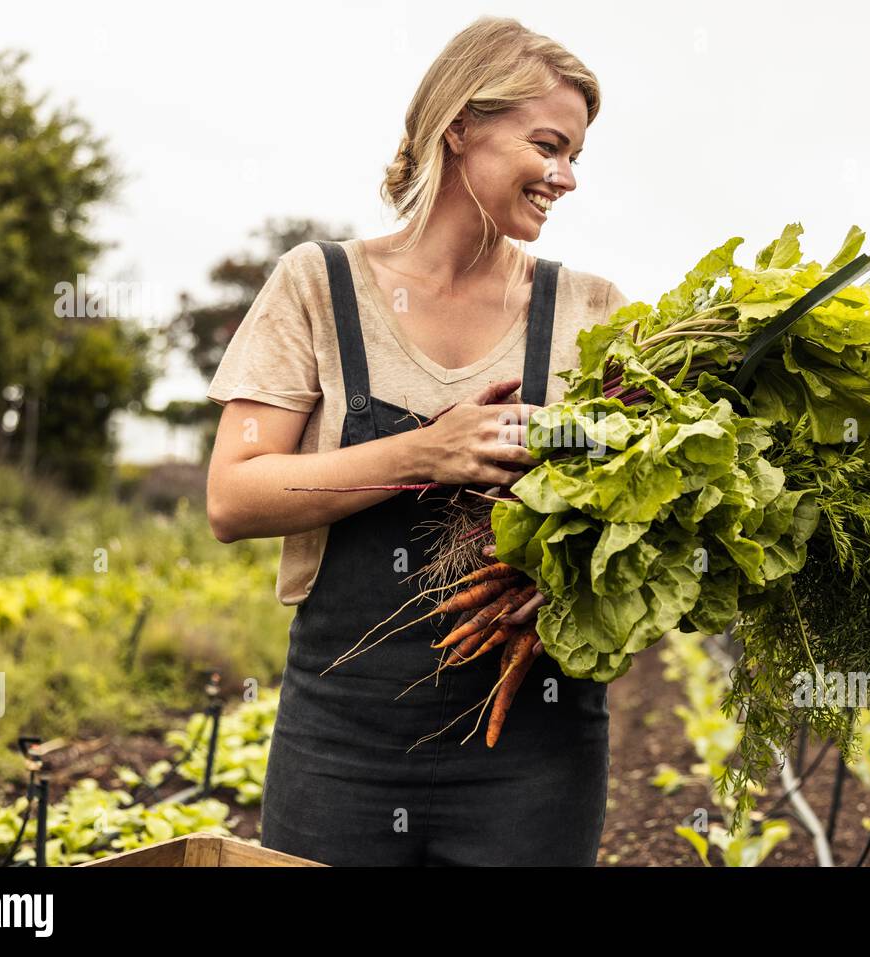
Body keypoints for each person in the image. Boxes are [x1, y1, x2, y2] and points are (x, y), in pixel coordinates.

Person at [204, 16, 630, 866]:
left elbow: (639, 509)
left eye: (578, 155)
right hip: (341, 738)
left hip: (535, 749)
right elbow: (233, 495)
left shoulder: (591, 314)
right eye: (548, 145)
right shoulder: (318, 287)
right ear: (460, 125)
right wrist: (423, 454)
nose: (567, 176)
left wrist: (582, 582)